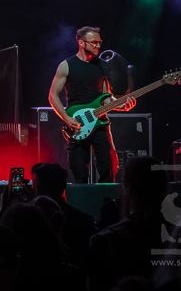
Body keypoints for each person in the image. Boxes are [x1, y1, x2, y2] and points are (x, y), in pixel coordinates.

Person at [48, 26, 134, 183]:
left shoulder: (103, 65)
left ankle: (107, 197)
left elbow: (106, 97)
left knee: (109, 168)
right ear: (81, 43)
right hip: (78, 123)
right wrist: (66, 118)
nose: (98, 46)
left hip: (100, 123)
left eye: (99, 42)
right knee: (79, 171)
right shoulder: (66, 65)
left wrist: (122, 106)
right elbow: (53, 96)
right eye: (94, 42)